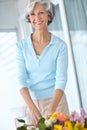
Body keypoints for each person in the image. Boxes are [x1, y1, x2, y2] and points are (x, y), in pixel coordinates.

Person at [16, 0, 69, 127]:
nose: (37, 18)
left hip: (57, 102)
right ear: (29, 17)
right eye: (32, 14)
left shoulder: (60, 46)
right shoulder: (21, 46)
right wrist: (32, 108)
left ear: (49, 15)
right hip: (32, 103)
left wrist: (52, 109)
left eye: (41, 13)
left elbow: (61, 80)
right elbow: (21, 79)